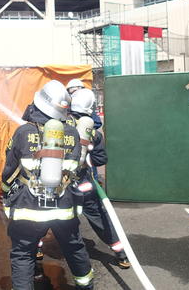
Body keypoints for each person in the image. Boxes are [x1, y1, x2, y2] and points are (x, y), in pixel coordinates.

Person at [2, 80, 95, 290]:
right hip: (64, 205)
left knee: (23, 255)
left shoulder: (23, 132)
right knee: (74, 248)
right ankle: (86, 285)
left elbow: (9, 170)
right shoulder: (72, 133)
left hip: (29, 207)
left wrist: (6, 193)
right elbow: (77, 169)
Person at [68, 88, 131, 269]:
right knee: (99, 217)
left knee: (51, 218)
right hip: (84, 184)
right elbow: (100, 159)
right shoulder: (94, 133)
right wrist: (85, 162)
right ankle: (121, 254)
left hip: (63, 186)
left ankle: (38, 252)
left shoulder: (61, 125)